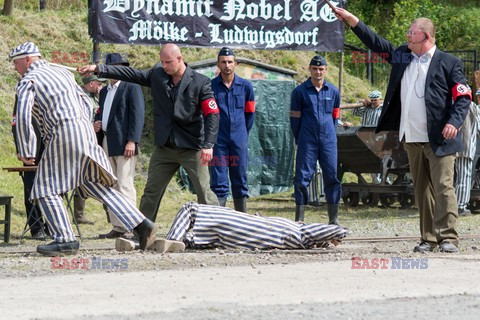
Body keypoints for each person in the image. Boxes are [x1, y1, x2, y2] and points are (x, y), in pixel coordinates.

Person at [335, 9, 471, 253]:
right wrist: (351, 20)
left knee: (443, 186)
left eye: (412, 34)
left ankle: (448, 237)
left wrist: (454, 122)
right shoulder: (402, 56)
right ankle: (428, 238)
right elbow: (375, 42)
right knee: (421, 190)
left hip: (440, 137)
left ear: (426, 37)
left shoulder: (449, 62)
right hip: (411, 137)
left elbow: (463, 97)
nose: (407, 37)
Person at [10, 42, 157, 255]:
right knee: (93, 184)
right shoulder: (61, 73)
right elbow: (86, 103)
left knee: (44, 188)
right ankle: (142, 224)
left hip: (62, 132)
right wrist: (86, 128)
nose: (16, 68)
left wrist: (26, 149)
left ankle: (65, 239)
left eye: (16, 63)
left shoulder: (28, 81)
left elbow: (23, 117)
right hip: (84, 130)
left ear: (28, 59)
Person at [78, 43, 220, 223]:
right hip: (164, 148)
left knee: (204, 191)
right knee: (151, 192)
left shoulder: (201, 82)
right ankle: (143, 231)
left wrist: (208, 145)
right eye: (162, 62)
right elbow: (131, 74)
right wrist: (99, 69)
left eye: (168, 62)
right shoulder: (157, 75)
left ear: (179, 59)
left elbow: (212, 115)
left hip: (192, 146)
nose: (164, 66)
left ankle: (216, 228)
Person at [117, 202, 349, 251]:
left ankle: (164, 242)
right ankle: (147, 245)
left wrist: (339, 233)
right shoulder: (298, 241)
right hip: (239, 237)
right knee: (198, 238)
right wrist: (327, 242)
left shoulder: (299, 232)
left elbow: (333, 230)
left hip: (239, 223)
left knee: (190, 209)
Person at [94, 53, 145, 239]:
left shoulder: (131, 86)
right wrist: (97, 123)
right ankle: (118, 226)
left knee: (125, 184)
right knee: (112, 185)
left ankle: (131, 226)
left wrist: (132, 140)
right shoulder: (105, 91)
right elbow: (101, 113)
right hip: (108, 139)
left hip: (125, 142)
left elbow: (137, 115)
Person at [290, 55, 342, 224]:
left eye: (321, 69)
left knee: (332, 177)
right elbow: (295, 120)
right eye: (315, 69)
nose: (318, 72)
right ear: (309, 69)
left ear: (326, 70)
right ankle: (300, 218)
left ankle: (333, 219)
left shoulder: (333, 91)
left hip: (328, 140)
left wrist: (330, 135)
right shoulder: (299, 92)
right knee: (302, 177)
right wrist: (301, 139)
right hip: (307, 140)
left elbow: (335, 117)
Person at [209, 47, 255, 212]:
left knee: (240, 179)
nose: (227, 65)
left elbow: (250, 115)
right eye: (223, 62)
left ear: (235, 64)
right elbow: (206, 115)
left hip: (239, 140)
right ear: (218, 64)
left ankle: (241, 220)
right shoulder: (210, 87)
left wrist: (241, 134)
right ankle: (219, 220)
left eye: (230, 62)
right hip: (218, 142)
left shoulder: (246, 87)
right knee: (218, 181)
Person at [11, 96, 48, 239]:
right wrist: (20, 149)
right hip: (31, 149)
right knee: (31, 188)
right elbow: (16, 122)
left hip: (53, 145)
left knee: (56, 188)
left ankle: (52, 226)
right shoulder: (24, 90)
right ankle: (36, 227)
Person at [72, 74, 107, 225]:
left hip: (98, 142)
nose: (101, 86)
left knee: (106, 176)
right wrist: (90, 127)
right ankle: (78, 215)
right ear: (91, 83)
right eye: (99, 83)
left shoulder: (99, 96)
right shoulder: (77, 97)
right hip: (84, 142)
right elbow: (75, 119)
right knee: (81, 176)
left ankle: (112, 215)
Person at [454, 89, 480, 216]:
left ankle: (454, 204)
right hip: (467, 146)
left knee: (456, 177)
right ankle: (460, 206)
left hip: (454, 147)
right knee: (464, 177)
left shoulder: (454, 104)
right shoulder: (472, 106)